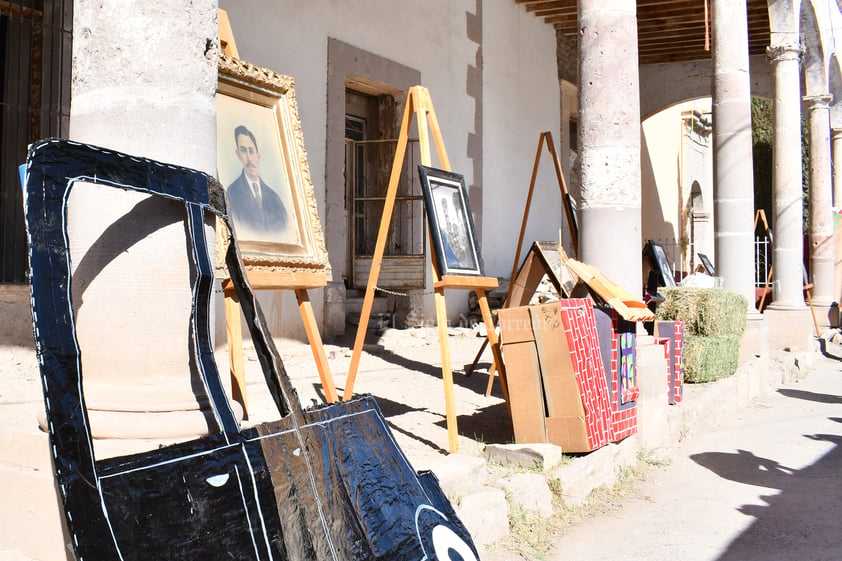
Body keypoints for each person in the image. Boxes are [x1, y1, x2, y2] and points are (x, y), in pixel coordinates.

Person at [226, 125, 289, 239]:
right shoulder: (232, 194)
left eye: (251, 151)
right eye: (243, 151)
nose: (249, 158)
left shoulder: (275, 199)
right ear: (238, 155)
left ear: (258, 156)